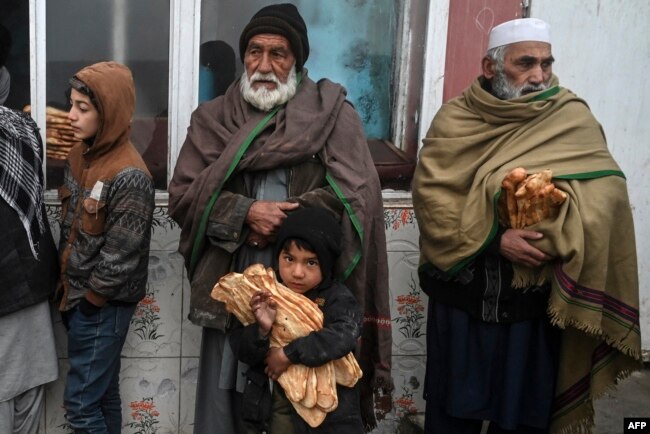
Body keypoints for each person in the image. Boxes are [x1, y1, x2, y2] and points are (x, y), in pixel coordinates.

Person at [168, 3, 391, 433]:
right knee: (228, 397)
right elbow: (184, 197)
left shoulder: (332, 114)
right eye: (255, 52)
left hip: (310, 290)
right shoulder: (213, 119)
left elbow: (355, 195)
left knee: (302, 403)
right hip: (240, 285)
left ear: (297, 60)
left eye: (279, 54)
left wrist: (289, 224)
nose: (264, 65)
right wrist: (245, 212)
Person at [413, 18, 641, 434]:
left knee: (523, 417)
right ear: (490, 67)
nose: (539, 76)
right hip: (464, 298)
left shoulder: (570, 116)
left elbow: (607, 194)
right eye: (526, 64)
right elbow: (433, 199)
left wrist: (557, 226)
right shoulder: (454, 120)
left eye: (546, 64)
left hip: (532, 308)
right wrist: (497, 239)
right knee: (451, 417)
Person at [55, 61, 155, 433]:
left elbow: (121, 257)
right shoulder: (81, 155)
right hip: (77, 298)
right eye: (72, 104)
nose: (71, 116)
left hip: (102, 306)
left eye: (83, 108)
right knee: (102, 396)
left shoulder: (130, 174)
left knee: (80, 407)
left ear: (108, 113)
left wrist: (91, 302)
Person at [235, 207, 364, 434]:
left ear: (327, 263)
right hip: (275, 410)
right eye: (289, 259)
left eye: (310, 263)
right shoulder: (267, 296)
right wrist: (262, 330)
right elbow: (243, 352)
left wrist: (288, 354)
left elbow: (342, 336)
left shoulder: (336, 298)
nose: (297, 272)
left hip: (327, 418)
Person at [0, 105, 59, 433]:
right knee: (26, 395)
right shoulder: (21, 127)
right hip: (33, 278)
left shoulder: (16, 128)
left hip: (18, 289)